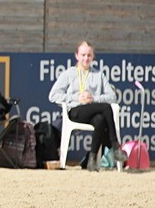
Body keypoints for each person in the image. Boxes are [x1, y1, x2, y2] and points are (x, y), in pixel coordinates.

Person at [48, 40, 128, 170]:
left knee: (101, 119)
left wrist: (94, 99)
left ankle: (92, 160)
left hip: (93, 112)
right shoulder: (69, 74)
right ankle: (115, 147)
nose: (86, 58)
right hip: (75, 111)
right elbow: (53, 95)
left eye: (89, 55)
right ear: (77, 55)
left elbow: (112, 96)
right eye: (83, 55)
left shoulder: (99, 75)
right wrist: (77, 98)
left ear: (93, 57)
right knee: (106, 108)